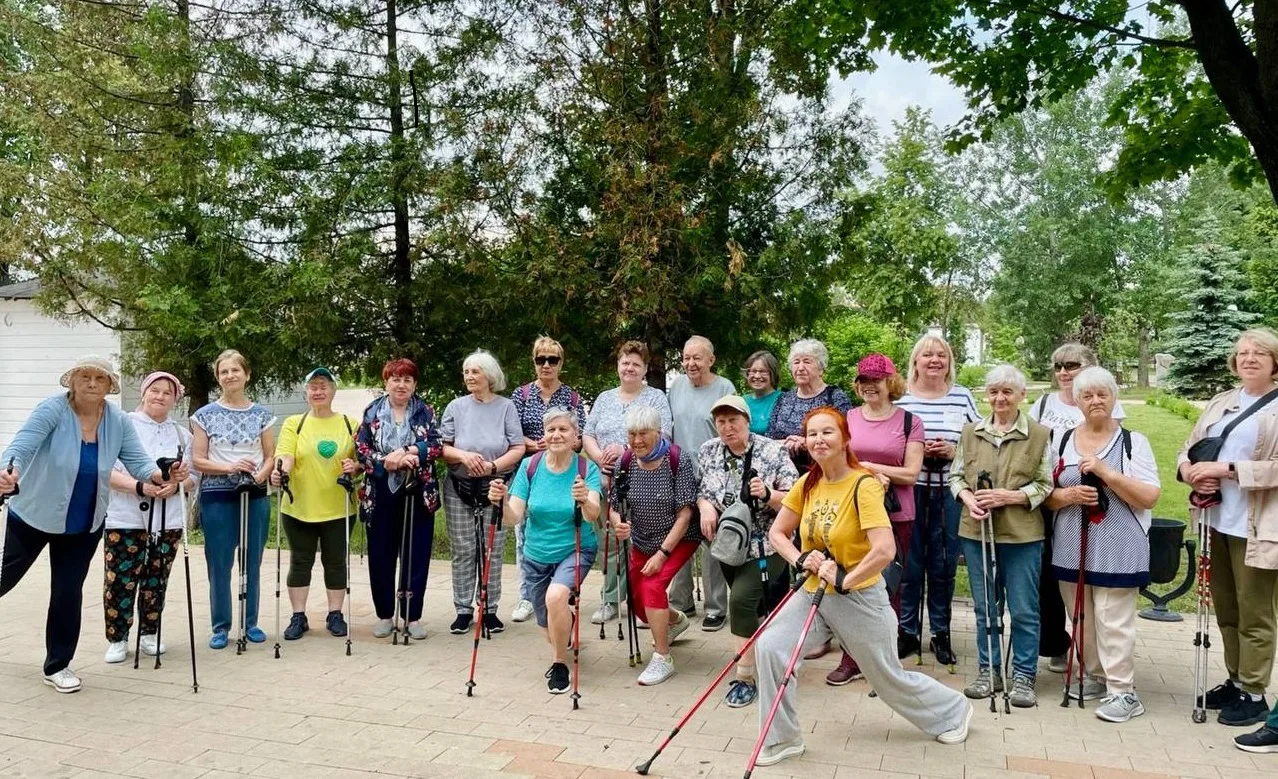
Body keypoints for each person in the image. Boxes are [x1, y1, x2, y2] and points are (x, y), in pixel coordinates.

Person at [753, 406, 972, 767]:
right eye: (812, 434)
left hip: (860, 598)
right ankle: (781, 739)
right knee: (771, 648)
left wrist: (845, 579)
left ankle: (953, 710)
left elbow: (884, 550)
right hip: (813, 592)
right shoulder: (807, 483)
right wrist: (800, 559)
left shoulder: (863, 484)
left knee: (886, 678)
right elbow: (778, 532)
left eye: (828, 432)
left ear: (845, 439)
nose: (819, 440)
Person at [0, 356, 183, 693]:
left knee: (68, 593)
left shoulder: (116, 420)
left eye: (100, 378)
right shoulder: (52, 410)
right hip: (35, 515)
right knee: (5, 577)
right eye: (85, 376)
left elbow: (139, 462)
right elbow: (21, 447)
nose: (92, 383)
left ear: (109, 387)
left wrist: (162, 474)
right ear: (72, 381)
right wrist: (8, 472)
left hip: (84, 522)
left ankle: (58, 666)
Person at [1044, 367, 1160, 723]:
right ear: (1077, 401)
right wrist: (1067, 495)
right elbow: (1046, 495)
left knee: (1113, 619)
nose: (1095, 401)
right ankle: (1094, 677)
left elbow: (1150, 496)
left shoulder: (1131, 442)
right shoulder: (1061, 440)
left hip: (1118, 546)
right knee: (1080, 619)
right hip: (1070, 544)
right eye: (1087, 395)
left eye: (1102, 394)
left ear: (1113, 397)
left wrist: (1108, 473)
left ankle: (1124, 691)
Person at [1178, 328, 1278, 737]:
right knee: (1226, 609)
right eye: (1242, 353)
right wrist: (1191, 473)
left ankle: (1255, 693)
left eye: (1258, 353)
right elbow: (1189, 447)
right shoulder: (1224, 401)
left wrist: (1228, 470)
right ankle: (1236, 681)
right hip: (1216, 521)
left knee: (1255, 612)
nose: (1249, 359)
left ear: (1274, 361)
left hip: (1258, 524)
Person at [815, 353, 924, 685]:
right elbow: (835, 459)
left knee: (888, 587)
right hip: (850, 512)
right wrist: (865, 474)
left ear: (891, 382)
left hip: (895, 514)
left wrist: (875, 470)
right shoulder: (847, 418)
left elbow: (911, 472)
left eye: (876, 379)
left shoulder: (909, 422)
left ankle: (884, 662)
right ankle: (853, 658)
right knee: (850, 582)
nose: (869, 386)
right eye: (863, 380)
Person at [949, 364, 1052, 708]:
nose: (1000, 398)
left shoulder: (1038, 434)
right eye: (993, 392)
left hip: (1022, 535)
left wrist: (1009, 496)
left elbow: (1045, 485)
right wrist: (967, 498)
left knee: (1023, 609)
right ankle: (989, 668)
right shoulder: (970, 432)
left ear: (1022, 395)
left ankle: (1023, 675)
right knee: (984, 607)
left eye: (1008, 392)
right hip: (976, 531)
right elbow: (956, 477)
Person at [487, 408, 603, 693]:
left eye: (563, 429)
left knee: (556, 597)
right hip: (536, 554)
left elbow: (593, 514)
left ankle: (559, 665)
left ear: (576, 437)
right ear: (544, 435)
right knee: (549, 629)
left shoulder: (587, 469)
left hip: (576, 548)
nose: (556, 435)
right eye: (551, 430)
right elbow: (514, 516)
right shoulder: (530, 466)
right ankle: (567, 625)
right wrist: (499, 503)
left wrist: (584, 500)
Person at [1031, 343, 1127, 672]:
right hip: (1050, 494)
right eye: (1057, 366)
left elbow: (1115, 443)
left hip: (1090, 496)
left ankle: (1095, 652)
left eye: (1071, 365)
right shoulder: (1043, 403)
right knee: (1050, 573)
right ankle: (1057, 643)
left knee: (1083, 572)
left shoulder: (1100, 400)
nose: (1063, 372)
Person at [696, 395, 797, 706]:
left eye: (733, 421)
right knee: (753, 609)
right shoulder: (709, 450)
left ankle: (745, 676)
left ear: (747, 421)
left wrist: (768, 494)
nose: (727, 428)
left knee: (740, 602)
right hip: (727, 545)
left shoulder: (771, 450)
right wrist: (705, 509)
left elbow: (795, 497)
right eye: (721, 422)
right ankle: (769, 657)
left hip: (768, 543)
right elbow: (702, 490)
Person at [895, 334, 980, 665]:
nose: (934, 360)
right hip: (909, 490)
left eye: (941, 355)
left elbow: (979, 445)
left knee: (943, 563)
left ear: (949, 362)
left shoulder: (962, 397)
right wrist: (915, 453)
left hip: (949, 491)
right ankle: (908, 631)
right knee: (909, 563)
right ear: (915, 361)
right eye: (926, 354)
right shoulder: (900, 398)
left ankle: (941, 633)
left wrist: (953, 452)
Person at [102, 371, 198, 664]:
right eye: (154, 390)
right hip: (125, 516)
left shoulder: (182, 434)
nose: (159, 396)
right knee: (121, 579)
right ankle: (118, 638)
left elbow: (193, 476)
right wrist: (140, 487)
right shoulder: (121, 425)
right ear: (144, 393)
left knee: (156, 579)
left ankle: (149, 633)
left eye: (167, 393)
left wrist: (177, 484)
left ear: (175, 399)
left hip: (167, 520)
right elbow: (106, 471)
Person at [582, 340, 672, 625]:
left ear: (645, 368)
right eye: (625, 362)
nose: (629, 367)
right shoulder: (604, 398)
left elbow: (665, 436)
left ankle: (643, 601)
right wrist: (601, 460)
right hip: (605, 477)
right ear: (618, 366)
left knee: (640, 540)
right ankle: (610, 599)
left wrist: (626, 453)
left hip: (642, 477)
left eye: (636, 363)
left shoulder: (655, 397)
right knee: (609, 539)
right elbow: (588, 434)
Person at [191, 349, 276, 650]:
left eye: (235, 370)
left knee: (252, 559)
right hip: (217, 495)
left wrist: (258, 477)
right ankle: (221, 625)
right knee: (219, 562)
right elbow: (198, 460)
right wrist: (230, 468)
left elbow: (269, 456)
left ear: (247, 374)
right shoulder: (203, 416)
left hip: (253, 494)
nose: (230, 376)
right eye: (224, 372)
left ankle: (250, 622)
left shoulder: (262, 415)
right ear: (218, 378)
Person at [609, 406, 699, 686]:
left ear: (658, 432)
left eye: (643, 434)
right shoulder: (625, 462)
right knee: (637, 602)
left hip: (678, 538)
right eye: (632, 434)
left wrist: (662, 554)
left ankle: (663, 658)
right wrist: (618, 523)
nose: (637, 440)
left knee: (652, 586)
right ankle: (674, 620)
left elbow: (685, 513)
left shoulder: (677, 459)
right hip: (642, 539)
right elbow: (614, 505)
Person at [354, 358, 442, 641]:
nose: (401, 384)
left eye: (407, 380)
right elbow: (361, 449)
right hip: (380, 493)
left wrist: (409, 451)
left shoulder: (425, 411)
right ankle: (384, 615)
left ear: (414, 384)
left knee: (415, 556)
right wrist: (385, 462)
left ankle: (412, 616)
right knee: (381, 556)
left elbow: (438, 444)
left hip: (418, 490)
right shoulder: (372, 412)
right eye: (395, 379)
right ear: (386, 382)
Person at [441, 349, 526, 636]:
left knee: (492, 548)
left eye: (474, 371)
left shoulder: (506, 407)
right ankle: (463, 610)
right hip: (458, 486)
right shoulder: (455, 407)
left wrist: (491, 466)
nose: (469, 377)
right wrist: (464, 456)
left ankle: (489, 609)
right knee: (464, 548)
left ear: (489, 376)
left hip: (495, 485)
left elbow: (518, 447)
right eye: (466, 372)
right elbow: (443, 447)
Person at [272, 367, 360, 641]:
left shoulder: (350, 424)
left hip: (339, 506)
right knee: (300, 561)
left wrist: (354, 466)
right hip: (299, 506)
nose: (318, 391)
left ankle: (335, 614)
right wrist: (281, 470)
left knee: (335, 561)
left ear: (333, 391)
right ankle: (299, 616)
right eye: (313, 386)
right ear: (306, 392)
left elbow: (362, 463)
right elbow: (286, 455)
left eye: (324, 386)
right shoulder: (293, 423)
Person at [509, 336, 588, 624]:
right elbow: (512, 434)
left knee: (565, 530)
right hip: (531, 470)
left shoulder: (572, 397)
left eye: (552, 360)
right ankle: (527, 594)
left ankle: (562, 591)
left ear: (561, 363)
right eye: (540, 359)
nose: (546, 365)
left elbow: (579, 438)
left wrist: (559, 444)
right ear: (534, 362)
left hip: (564, 471)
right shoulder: (522, 395)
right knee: (525, 534)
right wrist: (537, 445)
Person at [667, 335, 736, 631]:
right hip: (681, 473)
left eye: (697, 357)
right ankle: (681, 601)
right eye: (686, 357)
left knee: (710, 539)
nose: (690, 363)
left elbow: (731, 432)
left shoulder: (725, 388)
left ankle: (716, 607)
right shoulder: (677, 386)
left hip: (714, 474)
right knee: (680, 536)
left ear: (711, 359)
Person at [766, 339, 853, 471]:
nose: (800, 368)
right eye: (796, 362)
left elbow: (845, 438)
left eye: (807, 362)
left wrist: (806, 442)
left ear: (821, 369)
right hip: (784, 471)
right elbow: (769, 438)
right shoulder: (783, 398)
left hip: (822, 470)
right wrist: (787, 443)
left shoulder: (835, 397)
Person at [743, 351, 782, 436]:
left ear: (773, 374)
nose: (757, 376)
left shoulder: (783, 400)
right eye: (753, 371)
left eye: (763, 371)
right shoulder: (742, 401)